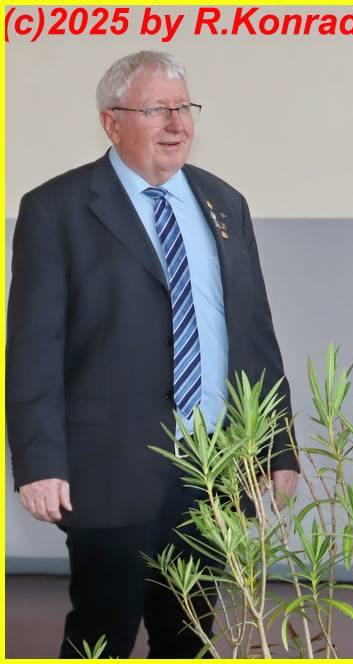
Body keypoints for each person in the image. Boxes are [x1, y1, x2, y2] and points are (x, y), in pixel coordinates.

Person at [6, 51, 298, 658]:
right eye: (157, 109)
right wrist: (38, 461)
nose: (176, 123)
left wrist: (277, 446)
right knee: (100, 636)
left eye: (184, 107)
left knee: (189, 635)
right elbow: (33, 347)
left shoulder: (225, 204)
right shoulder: (56, 209)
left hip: (212, 465)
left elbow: (254, 334)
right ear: (112, 123)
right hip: (109, 466)